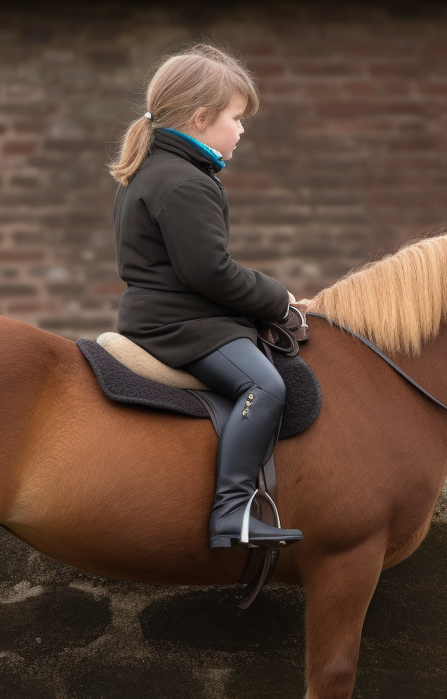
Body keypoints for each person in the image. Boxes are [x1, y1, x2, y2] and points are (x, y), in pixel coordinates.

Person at [109, 45, 303, 549]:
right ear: (201, 117)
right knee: (265, 388)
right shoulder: (183, 182)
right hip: (184, 326)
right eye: (236, 118)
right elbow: (210, 273)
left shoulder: (155, 169)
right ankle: (232, 515)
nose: (241, 130)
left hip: (168, 316)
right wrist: (278, 300)